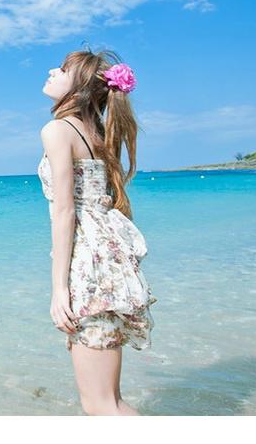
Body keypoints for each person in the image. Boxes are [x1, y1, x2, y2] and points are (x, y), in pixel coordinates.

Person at [38, 47, 158, 416]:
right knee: (110, 402)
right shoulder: (95, 130)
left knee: (101, 406)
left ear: (81, 87)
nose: (51, 71)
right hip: (108, 261)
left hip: (89, 267)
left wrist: (59, 289)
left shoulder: (58, 129)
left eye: (61, 69)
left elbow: (64, 210)